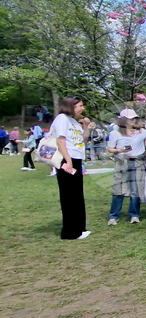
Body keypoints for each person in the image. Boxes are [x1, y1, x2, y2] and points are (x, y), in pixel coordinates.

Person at [50, 96, 90, 240]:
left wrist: (85, 127)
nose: (82, 108)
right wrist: (68, 160)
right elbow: (60, 140)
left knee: (77, 194)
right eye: (80, 105)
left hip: (76, 159)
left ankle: (79, 228)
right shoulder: (62, 119)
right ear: (71, 106)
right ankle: (70, 232)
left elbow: (83, 139)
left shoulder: (73, 122)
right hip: (67, 159)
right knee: (69, 195)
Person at [107, 116, 146, 225]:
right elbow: (110, 148)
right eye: (130, 119)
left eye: (134, 118)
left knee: (135, 190)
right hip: (122, 162)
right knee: (118, 189)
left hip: (136, 162)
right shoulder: (115, 133)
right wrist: (119, 150)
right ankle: (113, 216)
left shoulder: (141, 132)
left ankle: (134, 215)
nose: (133, 121)